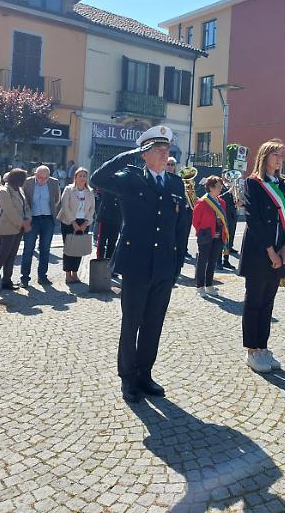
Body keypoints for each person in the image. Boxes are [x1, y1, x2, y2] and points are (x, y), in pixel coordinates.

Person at [91, 125, 187, 403]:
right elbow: (98, 178)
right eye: (157, 149)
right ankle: (128, 377)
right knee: (132, 323)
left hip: (164, 265)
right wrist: (127, 155)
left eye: (166, 148)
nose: (164, 153)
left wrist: (177, 265)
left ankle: (145, 374)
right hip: (136, 264)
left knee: (154, 323)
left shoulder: (175, 184)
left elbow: (181, 227)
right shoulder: (130, 178)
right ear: (144, 154)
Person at [239, 139, 285, 373]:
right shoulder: (253, 183)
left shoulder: (283, 186)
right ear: (264, 157)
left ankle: (263, 346)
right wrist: (271, 251)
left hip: (279, 251)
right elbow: (254, 220)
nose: (279, 159)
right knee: (254, 300)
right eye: (275, 155)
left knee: (268, 302)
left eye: (281, 155)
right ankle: (252, 350)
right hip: (259, 251)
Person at [21, 165, 61, 287]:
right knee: (28, 248)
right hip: (32, 218)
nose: (42, 180)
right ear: (35, 174)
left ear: (49, 176)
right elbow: (23, 200)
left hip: (48, 218)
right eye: (39, 177)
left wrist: (52, 209)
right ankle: (24, 278)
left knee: (45, 248)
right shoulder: (27, 182)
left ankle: (42, 276)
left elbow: (57, 199)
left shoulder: (54, 182)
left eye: (45, 178)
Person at [0, 168, 32, 290]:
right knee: (3, 254)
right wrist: (22, 223)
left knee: (12, 255)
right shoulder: (3, 191)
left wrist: (28, 219)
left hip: (19, 228)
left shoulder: (19, 190)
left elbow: (26, 207)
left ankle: (7, 281)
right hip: (8, 227)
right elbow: (10, 211)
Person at [57, 167, 95, 283]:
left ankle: (75, 272)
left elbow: (92, 208)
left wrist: (86, 222)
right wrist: (73, 222)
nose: (82, 178)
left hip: (83, 222)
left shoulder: (90, 191)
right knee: (69, 248)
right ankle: (68, 274)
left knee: (79, 248)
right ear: (75, 177)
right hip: (69, 222)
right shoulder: (69, 189)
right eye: (80, 176)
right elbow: (65, 206)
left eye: (84, 176)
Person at [192, 175, 228, 297]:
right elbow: (195, 221)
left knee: (213, 261)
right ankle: (200, 286)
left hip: (219, 235)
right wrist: (203, 231)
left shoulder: (222, 202)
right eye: (218, 186)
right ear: (210, 188)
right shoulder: (202, 202)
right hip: (206, 235)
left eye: (221, 186)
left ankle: (209, 285)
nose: (220, 188)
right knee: (203, 261)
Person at [96, 190, 122, 260]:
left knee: (113, 242)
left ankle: (109, 260)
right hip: (105, 215)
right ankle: (99, 260)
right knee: (102, 241)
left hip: (117, 216)